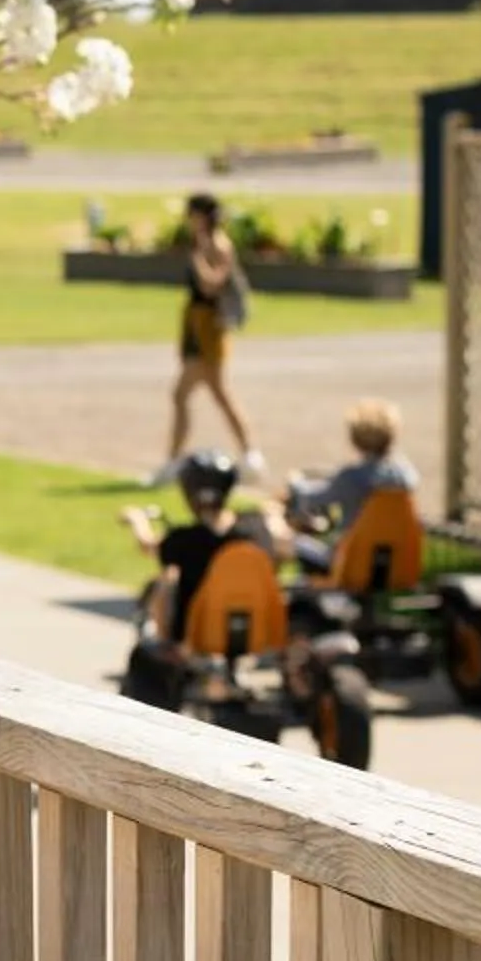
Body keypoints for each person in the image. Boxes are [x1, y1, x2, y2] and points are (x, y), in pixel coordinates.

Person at [120, 449, 260, 707]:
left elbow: (148, 545)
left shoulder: (184, 540)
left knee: (144, 656)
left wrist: (136, 519)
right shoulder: (251, 532)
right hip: (246, 633)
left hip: (193, 636)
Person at [154, 193, 260, 486]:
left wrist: (199, 257)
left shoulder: (218, 245)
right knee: (200, 394)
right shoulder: (202, 243)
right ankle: (246, 454)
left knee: (200, 393)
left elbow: (212, 285)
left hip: (210, 327)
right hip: (195, 322)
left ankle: (177, 460)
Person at [285, 397, 421, 573]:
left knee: (295, 543)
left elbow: (310, 498)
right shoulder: (406, 476)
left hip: (351, 562)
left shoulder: (350, 478)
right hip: (397, 563)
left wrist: (294, 481)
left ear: (355, 440)